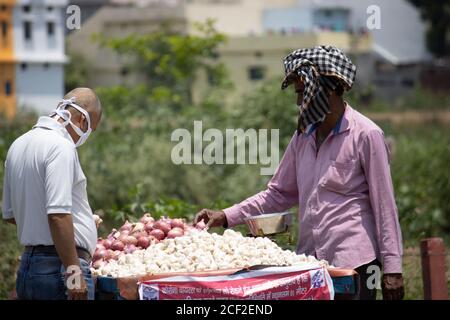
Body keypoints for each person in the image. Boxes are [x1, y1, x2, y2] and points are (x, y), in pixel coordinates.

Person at [195, 46, 404, 300]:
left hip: (355, 264)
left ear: (330, 90)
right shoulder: (303, 136)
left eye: (304, 93)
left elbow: (385, 205)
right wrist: (225, 216)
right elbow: (277, 194)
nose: (298, 102)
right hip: (311, 264)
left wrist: (393, 268)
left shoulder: (366, 135)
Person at [2, 88, 102, 300]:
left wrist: (78, 222)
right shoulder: (61, 147)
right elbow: (57, 215)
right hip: (58, 270)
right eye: (91, 129)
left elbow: (12, 215)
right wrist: (74, 274)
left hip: (30, 266)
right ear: (83, 122)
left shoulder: (18, 145)